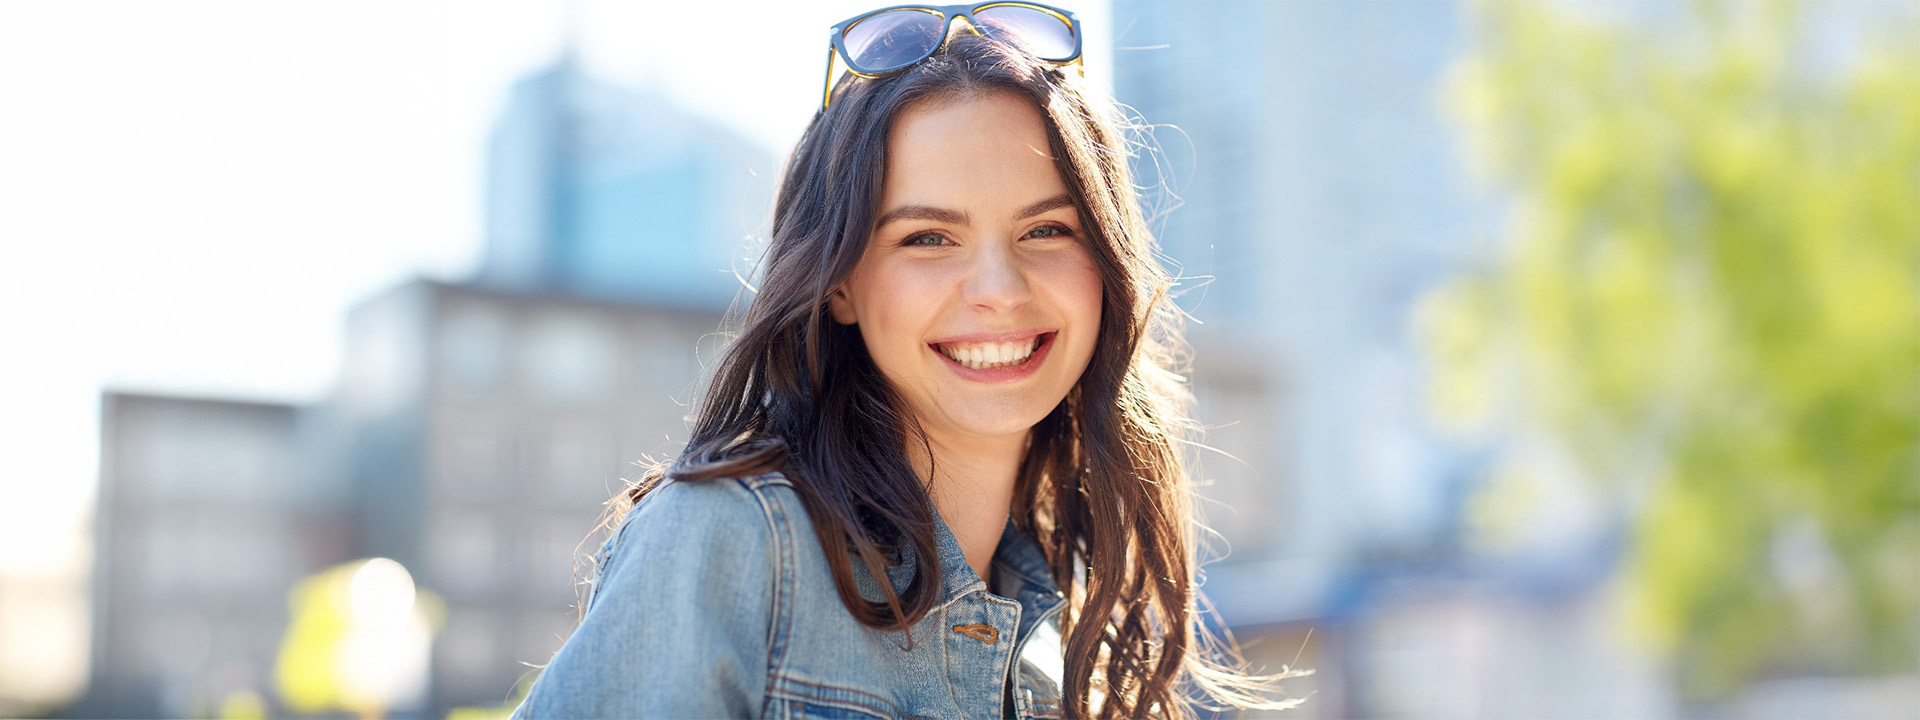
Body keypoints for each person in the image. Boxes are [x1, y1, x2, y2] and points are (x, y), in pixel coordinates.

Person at [512, 3, 1293, 718]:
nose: (998, 290)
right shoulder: (733, 543)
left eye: (1048, 230)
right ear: (840, 282)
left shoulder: (1061, 641)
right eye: (927, 238)